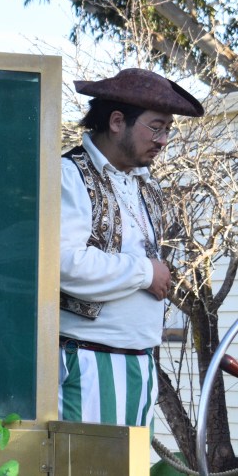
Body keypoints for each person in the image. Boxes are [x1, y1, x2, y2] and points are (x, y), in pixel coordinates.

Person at [58, 68, 204, 426]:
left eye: (168, 129)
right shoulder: (69, 174)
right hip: (89, 362)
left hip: (138, 361)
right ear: (117, 121)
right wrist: (145, 273)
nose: (163, 140)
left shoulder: (144, 183)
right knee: (88, 459)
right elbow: (63, 262)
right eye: (156, 127)